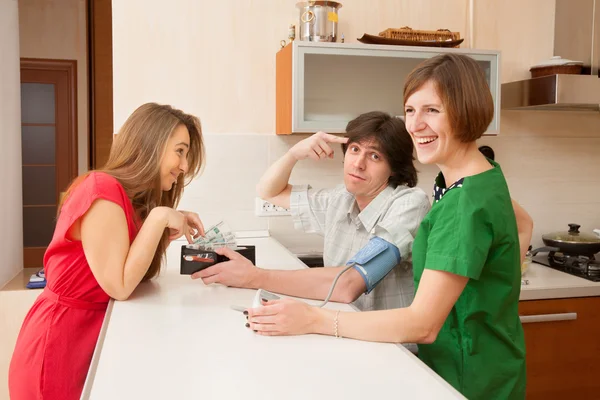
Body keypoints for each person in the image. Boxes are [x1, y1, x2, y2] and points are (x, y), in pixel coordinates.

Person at [244, 54, 531, 399]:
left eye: (432, 110)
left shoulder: (461, 206)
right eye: (410, 110)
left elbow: (422, 324)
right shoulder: (477, 177)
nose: (415, 124)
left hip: (465, 378)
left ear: (465, 111)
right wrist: (490, 293)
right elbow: (523, 224)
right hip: (495, 362)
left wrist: (312, 319)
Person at [9, 103, 206, 400]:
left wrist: (162, 230)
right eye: (180, 151)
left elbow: (129, 270)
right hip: (59, 343)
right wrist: (159, 218)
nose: (185, 166)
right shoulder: (101, 189)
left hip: (88, 339)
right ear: (149, 145)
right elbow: (119, 285)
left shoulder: (128, 200)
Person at [194, 111, 431, 312]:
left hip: (393, 349)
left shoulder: (409, 204)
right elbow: (269, 191)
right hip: (342, 329)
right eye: (355, 149)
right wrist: (294, 153)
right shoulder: (341, 199)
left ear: (393, 169)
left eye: (375, 156)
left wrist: (253, 276)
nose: (358, 163)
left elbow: (348, 285)